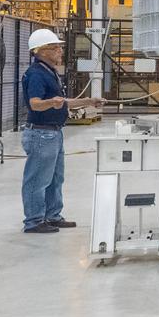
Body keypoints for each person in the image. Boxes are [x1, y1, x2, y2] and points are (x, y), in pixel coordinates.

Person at [21, 29, 102, 234]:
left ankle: (52, 215)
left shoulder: (51, 72)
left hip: (54, 133)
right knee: (38, 180)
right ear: (41, 51)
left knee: (55, 178)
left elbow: (63, 102)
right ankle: (33, 221)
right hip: (41, 134)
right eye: (55, 47)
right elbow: (35, 104)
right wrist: (50, 102)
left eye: (59, 47)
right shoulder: (36, 74)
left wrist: (89, 101)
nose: (60, 51)